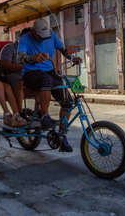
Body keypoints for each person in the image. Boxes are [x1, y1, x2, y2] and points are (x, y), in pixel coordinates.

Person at [18, 18, 81, 152]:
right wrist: (33, 58)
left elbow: (63, 49)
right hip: (31, 73)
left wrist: (72, 58)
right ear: (34, 32)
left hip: (49, 72)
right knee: (46, 79)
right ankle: (45, 116)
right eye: (40, 37)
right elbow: (20, 58)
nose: (43, 40)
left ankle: (63, 135)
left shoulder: (51, 35)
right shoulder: (25, 38)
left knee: (68, 102)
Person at [0, 28, 31, 110]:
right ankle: (19, 112)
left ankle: (39, 112)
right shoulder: (10, 48)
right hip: (12, 75)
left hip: (29, 75)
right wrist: (23, 68)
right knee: (19, 81)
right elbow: (5, 65)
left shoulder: (31, 50)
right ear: (21, 37)